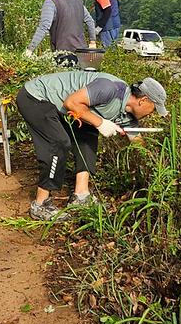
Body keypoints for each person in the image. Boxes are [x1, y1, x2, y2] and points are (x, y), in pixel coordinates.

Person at [16, 71, 168, 220]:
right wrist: (100, 123)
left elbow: (138, 143)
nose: (152, 114)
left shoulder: (128, 116)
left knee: (88, 133)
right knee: (59, 143)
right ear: (144, 100)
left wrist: (155, 167)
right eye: (154, 109)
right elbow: (71, 103)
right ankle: (41, 204)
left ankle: (81, 195)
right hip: (36, 97)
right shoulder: (110, 88)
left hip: (60, 107)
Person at [24, 0, 97, 57]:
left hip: (64, 54)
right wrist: (92, 42)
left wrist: (30, 49)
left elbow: (44, 27)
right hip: (82, 52)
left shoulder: (51, 1)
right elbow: (90, 21)